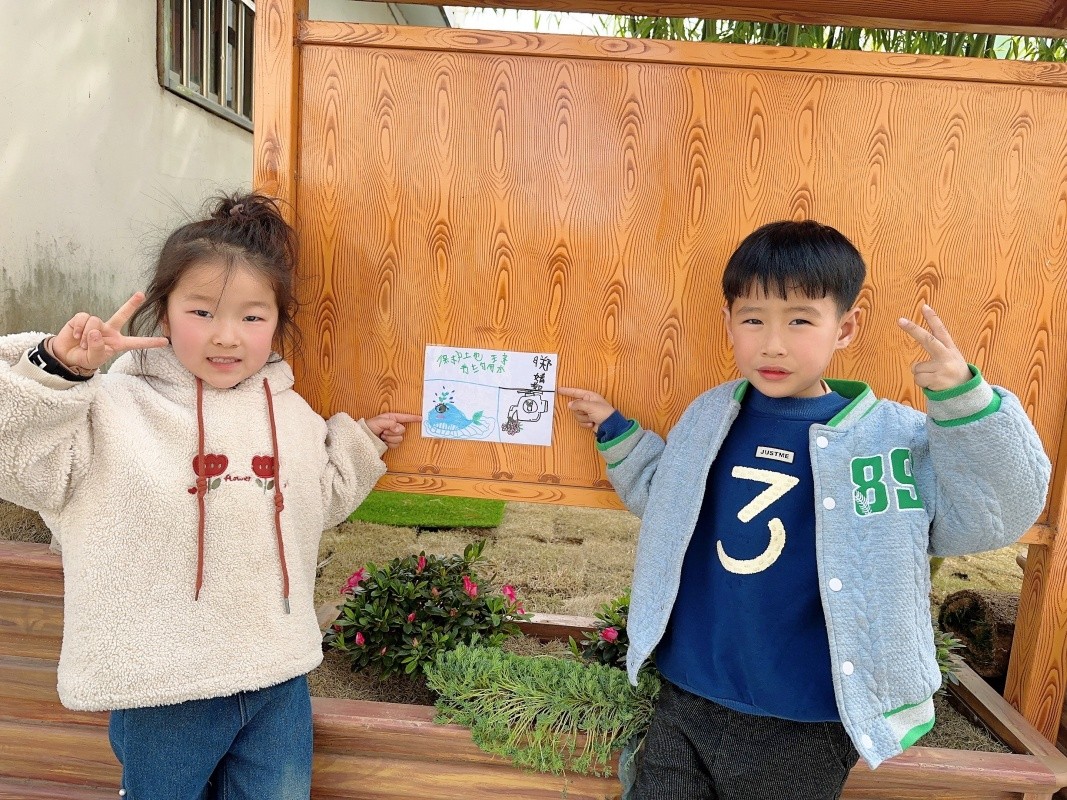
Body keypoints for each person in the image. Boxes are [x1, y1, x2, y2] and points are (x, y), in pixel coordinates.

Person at [560, 220, 1050, 800]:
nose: (773, 343)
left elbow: (993, 512)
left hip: (807, 713)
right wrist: (617, 433)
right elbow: (669, 502)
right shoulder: (710, 414)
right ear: (728, 321)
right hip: (688, 690)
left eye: (799, 320)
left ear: (846, 327)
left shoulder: (887, 439)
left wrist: (964, 399)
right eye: (753, 319)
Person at [0, 193, 421, 800]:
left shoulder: (290, 413)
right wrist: (59, 371)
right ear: (163, 314)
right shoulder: (112, 407)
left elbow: (313, 504)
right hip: (165, 689)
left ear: (277, 322)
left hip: (277, 677)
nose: (227, 337)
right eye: (202, 311)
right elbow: (23, 469)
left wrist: (360, 447)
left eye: (253, 317)